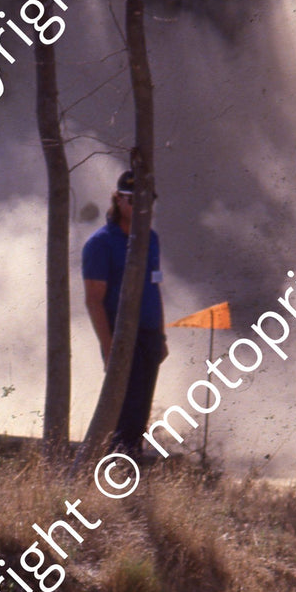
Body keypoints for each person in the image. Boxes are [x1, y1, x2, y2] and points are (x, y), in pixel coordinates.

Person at [82, 170, 167, 455]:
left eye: (145, 201)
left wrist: (161, 336)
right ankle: (115, 471)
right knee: (122, 412)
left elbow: (155, 287)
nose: (138, 207)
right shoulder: (101, 243)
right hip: (122, 339)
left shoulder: (151, 239)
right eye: (131, 200)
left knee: (139, 412)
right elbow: (94, 300)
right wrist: (109, 347)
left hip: (149, 339)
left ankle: (131, 466)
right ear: (118, 199)